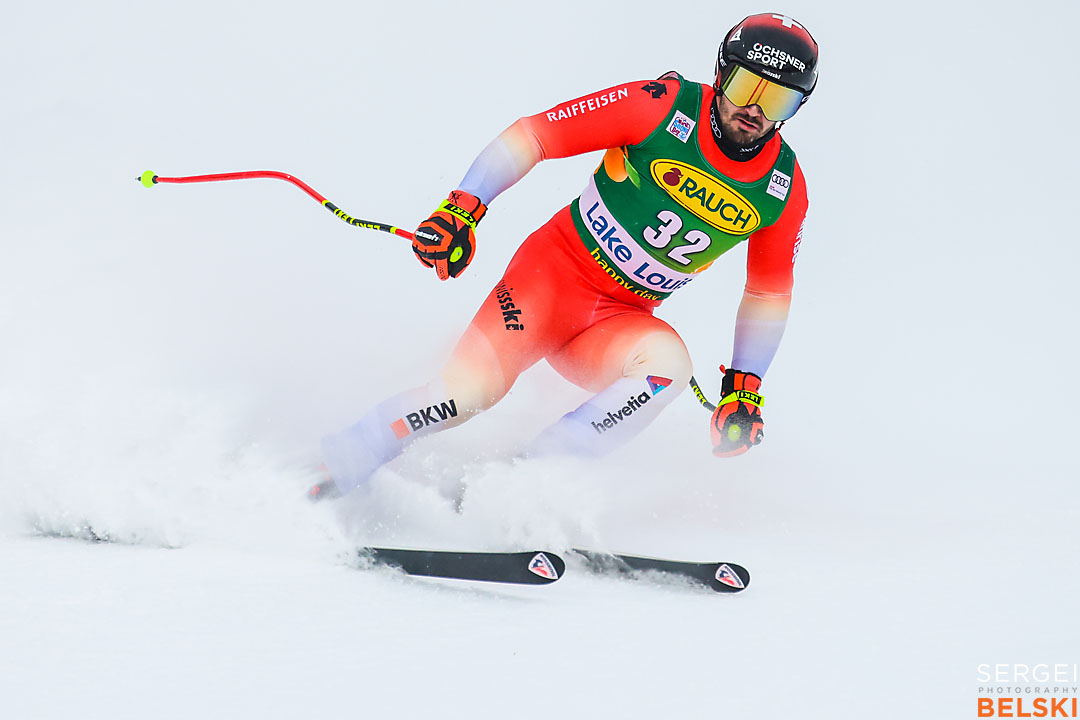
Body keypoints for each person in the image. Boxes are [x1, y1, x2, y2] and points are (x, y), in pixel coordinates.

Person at [311, 13, 819, 501]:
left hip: (618, 319)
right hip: (549, 282)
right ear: (720, 73)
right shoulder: (661, 106)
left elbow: (767, 292)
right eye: (747, 87)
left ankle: (519, 487)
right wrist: (463, 208)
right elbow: (534, 134)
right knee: (464, 395)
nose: (755, 109)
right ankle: (339, 460)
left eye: (778, 100)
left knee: (667, 371)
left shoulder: (783, 189)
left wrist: (744, 389)